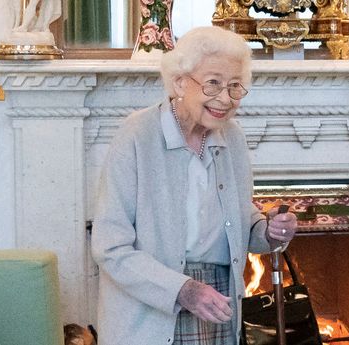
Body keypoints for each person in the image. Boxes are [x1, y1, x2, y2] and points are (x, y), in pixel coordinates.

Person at [91, 26, 298, 345]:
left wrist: (266, 231)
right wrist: (183, 290)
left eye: (234, 86)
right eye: (213, 83)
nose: (225, 98)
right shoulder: (136, 136)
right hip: (154, 308)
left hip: (218, 297)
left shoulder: (234, 138)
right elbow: (110, 246)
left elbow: (239, 217)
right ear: (179, 82)